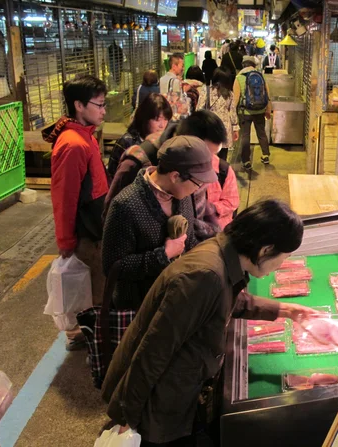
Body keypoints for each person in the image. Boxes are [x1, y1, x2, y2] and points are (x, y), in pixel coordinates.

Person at [101, 199, 317, 446]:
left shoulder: (223, 256)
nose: (282, 265)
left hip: (182, 386)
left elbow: (225, 301)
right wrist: (127, 416)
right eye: (283, 257)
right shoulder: (204, 275)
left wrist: (285, 309)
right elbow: (154, 350)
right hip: (161, 402)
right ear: (265, 249)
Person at [102, 136, 217, 311]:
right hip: (140, 310)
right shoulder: (125, 205)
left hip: (174, 301)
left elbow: (190, 239)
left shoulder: (183, 196)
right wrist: (163, 255)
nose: (198, 188)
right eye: (197, 183)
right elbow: (113, 268)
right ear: (175, 176)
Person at [42, 75, 109, 351]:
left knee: (95, 289)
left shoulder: (86, 136)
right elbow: (64, 198)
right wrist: (66, 243)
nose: (104, 110)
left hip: (95, 226)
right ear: (79, 105)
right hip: (86, 232)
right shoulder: (73, 144)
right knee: (94, 293)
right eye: (100, 104)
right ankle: (93, 345)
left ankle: (88, 336)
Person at [183, 110, 239, 229]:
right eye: (205, 153)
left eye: (214, 153)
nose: (210, 160)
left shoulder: (223, 170)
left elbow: (232, 202)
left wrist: (211, 208)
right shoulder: (176, 171)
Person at [107, 93, 172, 178]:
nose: (162, 125)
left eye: (165, 119)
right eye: (157, 120)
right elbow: (113, 176)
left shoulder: (165, 141)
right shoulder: (127, 141)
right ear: (145, 118)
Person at [233, 56, 272, 171]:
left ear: (243, 65)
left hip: (245, 111)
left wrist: (232, 113)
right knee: (261, 132)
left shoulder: (239, 77)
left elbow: (236, 98)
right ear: (253, 65)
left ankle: (246, 161)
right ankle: (266, 156)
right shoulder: (260, 75)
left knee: (245, 135)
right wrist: (268, 109)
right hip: (260, 110)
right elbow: (267, 94)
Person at [197, 68, 239, 161]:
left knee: (209, 156)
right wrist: (235, 129)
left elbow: (199, 109)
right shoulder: (230, 94)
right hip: (225, 129)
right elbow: (232, 112)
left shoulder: (206, 90)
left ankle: (212, 174)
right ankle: (222, 174)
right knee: (223, 158)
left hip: (210, 127)